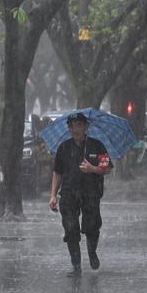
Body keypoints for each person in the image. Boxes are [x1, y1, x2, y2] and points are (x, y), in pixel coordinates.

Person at [49, 112, 113, 277]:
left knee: (91, 227)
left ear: (86, 127)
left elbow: (108, 169)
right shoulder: (64, 148)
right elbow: (57, 173)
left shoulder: (97, 146)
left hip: (91, 193)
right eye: (72, 126)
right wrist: (53, 195)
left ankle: (92, 253)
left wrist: (93, 169)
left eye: (79, 125)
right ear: (68, 128)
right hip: (69, 193)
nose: (75, 129)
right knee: (71, 229)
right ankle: (76, 265)